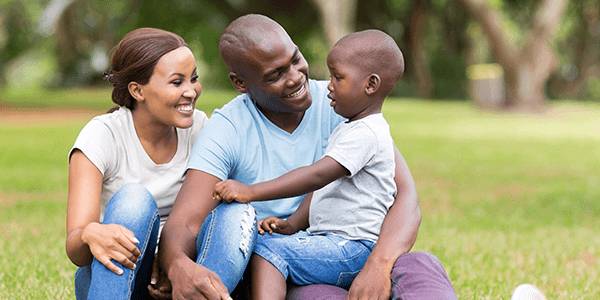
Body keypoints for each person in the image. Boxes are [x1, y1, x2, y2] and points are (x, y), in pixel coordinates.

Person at [158, 14, 457, 300]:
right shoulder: (229, 128)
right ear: (241, 83)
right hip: (292, 269)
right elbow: (185, 221)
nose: (295, 77)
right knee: (314, 295)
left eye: (295, 59)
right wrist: (177, 265)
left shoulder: (342, 103)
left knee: (421, 266)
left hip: (357, 249)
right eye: (276, 74)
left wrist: (378, 265)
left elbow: (405, 195)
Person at [211, 29, 404, 299]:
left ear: (370, 85)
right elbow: (324, 187)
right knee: (269, 243)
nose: (329, 85)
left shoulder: (366, 134)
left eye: (338, 77)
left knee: (267, 252)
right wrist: (292, 225)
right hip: (332, 244)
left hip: (352, 250)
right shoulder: (350, 129)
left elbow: (316, 176)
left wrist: (250, 192)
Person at [65, 27, 207, 299]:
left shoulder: (199, 128)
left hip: (177, 274)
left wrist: (171, 260)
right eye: (177, 82)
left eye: (194, 78)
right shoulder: (102, 136)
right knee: (134, 199)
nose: (191, 91)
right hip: (117, 277)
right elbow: (76, 248)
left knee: (235, 214)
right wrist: (90, 234)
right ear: (137, 90)